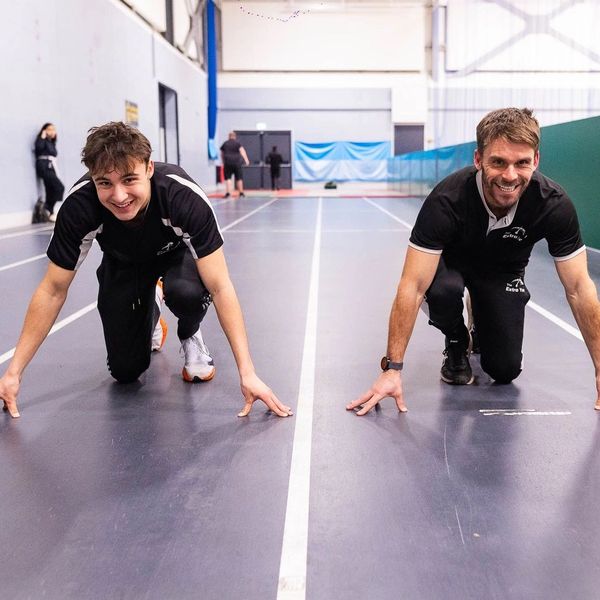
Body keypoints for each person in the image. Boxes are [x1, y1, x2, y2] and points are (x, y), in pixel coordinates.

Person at [1, 121, 292, 420]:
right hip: (124, 262)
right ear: (92, 179)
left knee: (187, 292)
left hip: (176, 256)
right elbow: (52, 290)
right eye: (104, 183)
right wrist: (13, 373)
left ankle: (190, 334)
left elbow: (220, 286)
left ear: (149, 168)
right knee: (125, 372)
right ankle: (150, 307)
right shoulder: (79, 207)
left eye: (129, 179)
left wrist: (248, 373)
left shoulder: (182, 197)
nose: (119, 195)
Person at [348, 107, 600, 415]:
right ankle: (456, 338)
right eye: (498, 162)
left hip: (502, 272)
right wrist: (392, 369)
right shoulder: (447, 200)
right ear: (478, 159)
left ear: (536, 160)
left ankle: (482, 320)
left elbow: (578, 287)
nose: (510, 176)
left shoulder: (554, 205)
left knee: (504, 370)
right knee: (441, 291)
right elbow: (412, 285)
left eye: (521, 163)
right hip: (450, 267)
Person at [34, 122, 65, 222]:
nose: (52, 131)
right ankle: (47, 208)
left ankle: (49, 211)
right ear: (44, 130)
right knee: (59, 187)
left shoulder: (51, 142)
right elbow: (38, 149)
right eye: (50, 129)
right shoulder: (41, 140)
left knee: (50, 189)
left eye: (53, 129)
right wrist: (42, 136)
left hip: (51, 166)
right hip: (44, 166)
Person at [220, 131, 250, 198]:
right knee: (239, 178)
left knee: (228, 178)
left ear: (229, 136)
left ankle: (228, 193)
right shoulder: (237, 143)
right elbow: (242, 151)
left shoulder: (225, 143)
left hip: (228, 163)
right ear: (235, 137)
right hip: (237, 163)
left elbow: (222, 154)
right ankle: (241, 193)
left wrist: (223, 161)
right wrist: (246, 160)